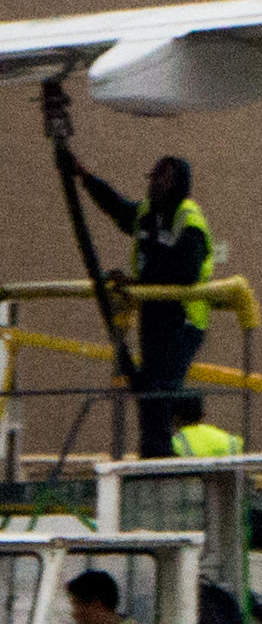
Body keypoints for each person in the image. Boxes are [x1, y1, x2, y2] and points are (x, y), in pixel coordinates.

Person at [43, 86, 225, 455]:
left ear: (176, 184)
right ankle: (153, 452)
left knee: (158, 385)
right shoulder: (148, 213)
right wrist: (84, 176)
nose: (153, 184)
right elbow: (119, 209)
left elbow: (184, 271)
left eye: (161, 178)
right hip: (155, 315)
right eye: (152, 177)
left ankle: (158, 456)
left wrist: (137, 282)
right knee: (146, 384)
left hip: (182, 320)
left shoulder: (187, 219)